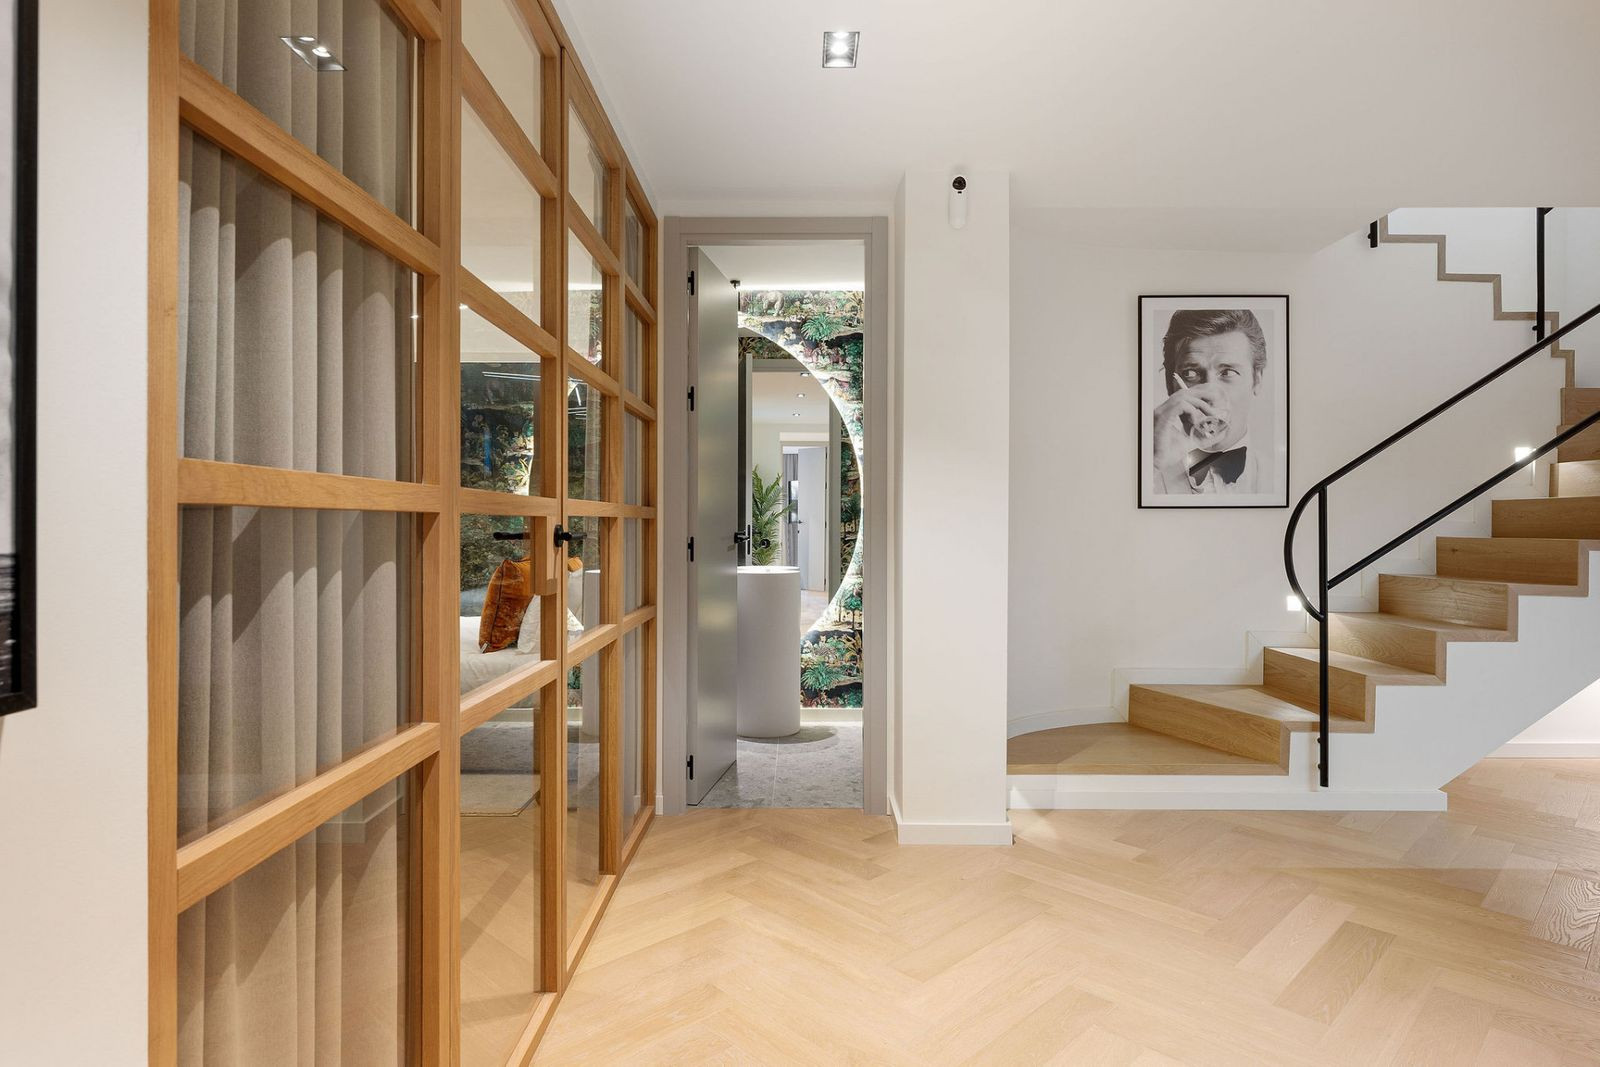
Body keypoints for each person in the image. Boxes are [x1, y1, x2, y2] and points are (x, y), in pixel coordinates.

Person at [1151, 308, 1268, 494]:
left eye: (1227, 372)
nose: (1209, 395)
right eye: (1190, 373)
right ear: (1169, 385)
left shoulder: (1279, 477)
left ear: (1257, 380)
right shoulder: (1147, 470)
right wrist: (1153, 464)